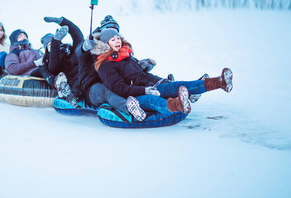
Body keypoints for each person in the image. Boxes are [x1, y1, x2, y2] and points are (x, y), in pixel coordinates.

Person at [92, 27, 233, 116]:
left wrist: (158, 82)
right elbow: (120, 89)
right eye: (113, 39)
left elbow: (142, 74)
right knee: (154, 101)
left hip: (149, 86)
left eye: (118, 38)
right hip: (133, 96)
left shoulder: (126, 55)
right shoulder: (105, 65)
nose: (118, 41)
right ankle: (177, 105)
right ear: (106, 44)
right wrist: (145, 90)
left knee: (177, 85)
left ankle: (219, 82)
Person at [74, 15, 147, 121]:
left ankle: (164, 89)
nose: (115, 38)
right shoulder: (93, 45)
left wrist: (139, 67)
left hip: (113, 81)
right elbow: (79, 52)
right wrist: (84, 47)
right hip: (92, 86)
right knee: (107, 92)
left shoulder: (118, 46)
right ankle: (131, 109)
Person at [40, 16, 84, 106]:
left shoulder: (68, 51)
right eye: (49, 46)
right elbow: (54, 66)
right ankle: (73, 97)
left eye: (53, 44)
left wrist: (63, 21)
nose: (51, 47)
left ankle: (75, 96)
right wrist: (55, 43)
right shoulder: (46, 63)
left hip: (78, 74)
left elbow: (78, 37)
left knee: (80, 48)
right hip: (64, 78)